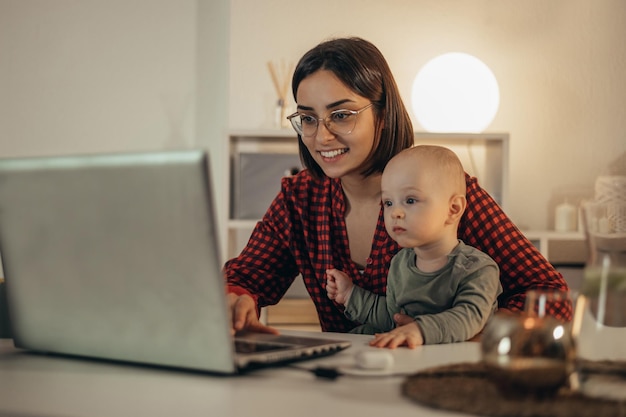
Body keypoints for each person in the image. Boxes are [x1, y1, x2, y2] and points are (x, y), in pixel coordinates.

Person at [224, 37, 571, 346]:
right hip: (346, 380)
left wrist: (465, 328)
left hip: (437, 381)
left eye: (341, 115)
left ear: (384, 114)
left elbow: (550, 297)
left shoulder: (442, 190)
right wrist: (236, 299)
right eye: (308, 118)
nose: (321, 136)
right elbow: (245, 277)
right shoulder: (299, 199)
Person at [326, 145, 502, 348]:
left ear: (453, 209)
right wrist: (350, 295)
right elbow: (394, 318)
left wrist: (419, 329)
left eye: (410, 200)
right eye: (388, 203)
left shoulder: (478, 269)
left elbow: (468, 318)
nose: (395, 213)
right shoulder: (400, 263)